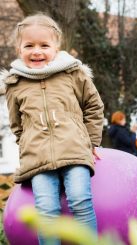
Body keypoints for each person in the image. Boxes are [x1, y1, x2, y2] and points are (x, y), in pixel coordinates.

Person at [2, 14, 104, 244]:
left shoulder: (73, 74)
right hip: (38, 159)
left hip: (75, 151)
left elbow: (94, 106)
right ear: (19, 48)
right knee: (46, 210)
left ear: (56, 47)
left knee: (80, 200)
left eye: (44, 45)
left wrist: (92, 141)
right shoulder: (15, 84)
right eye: (29, 46)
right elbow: (17, 124)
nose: (36, 51)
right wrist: (28, 145)